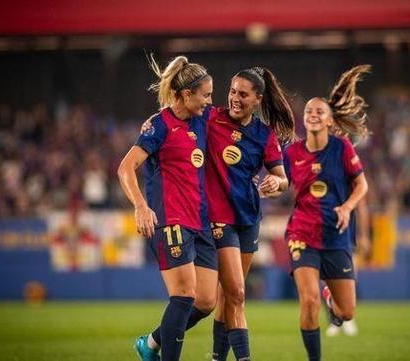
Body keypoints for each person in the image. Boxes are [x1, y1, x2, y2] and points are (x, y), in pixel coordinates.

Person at [118, 55, 216, 361]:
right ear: (187, 94)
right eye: (206, 95)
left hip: (201, 222)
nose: (209, 101)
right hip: (170, 221)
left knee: (206, 302)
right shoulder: (159, 125)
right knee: (184, 295)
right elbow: (125, 168)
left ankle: (150, 344)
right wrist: (141, 206)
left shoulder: (203, 119)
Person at [279, 65, 371, 360]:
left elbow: (362, 185)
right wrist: (274, 184)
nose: (313, 114)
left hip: (336, 237)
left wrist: (346, 206)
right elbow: (281, 179)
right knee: (308, 302)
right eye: (308, 111)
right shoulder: (292, 153)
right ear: (303, 118)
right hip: (302, 234)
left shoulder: (342, 148)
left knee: (346, 312)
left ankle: (334, 299)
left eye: (320, 111)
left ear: (330, 120)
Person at [205, 67, 295, 361]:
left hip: (248, 221)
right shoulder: (209, 118)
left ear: (257, 99)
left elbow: (282, 178)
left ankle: (217, 358)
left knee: (228, 298)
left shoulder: (264, 135)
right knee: (238, 295)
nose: (235, 98)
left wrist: (276, 182)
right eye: (232, 91)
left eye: (243, 94)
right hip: (219, 219)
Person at [324, 196, 371, 337]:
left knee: (350, 278)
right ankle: (335, 320)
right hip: (325, 233)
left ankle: (348, 318)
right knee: (327, 281)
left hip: (347, 237)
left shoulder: (352, 178)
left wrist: (364, 235)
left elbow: (362, 208)